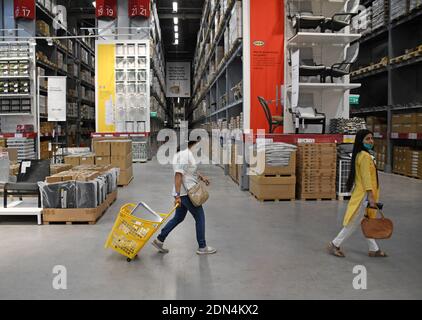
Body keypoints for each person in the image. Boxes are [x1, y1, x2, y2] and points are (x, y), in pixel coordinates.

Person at [328, 129, 388, 258]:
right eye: (367, 139)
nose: (371, 141)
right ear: (361, 141)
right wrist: (371, 196)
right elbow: (366, 177)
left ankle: (374, 249)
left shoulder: (361, 155)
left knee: (366, 220)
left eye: (371, 138)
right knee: (354, 222)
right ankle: (335, 243)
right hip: (364, 196)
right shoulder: (365, 156)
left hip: (364, 194)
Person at [152, 139, 217, 255]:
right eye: (198, 146)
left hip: (183, 193)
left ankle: (159, 240)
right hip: (186, 193)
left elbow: (188, 171)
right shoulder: (184, 155)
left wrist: (201, 177)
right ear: (191, 144)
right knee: (200, 217)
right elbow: (178, 175)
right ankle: (202, 246)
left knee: (178, 218)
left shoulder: (185, 154)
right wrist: (177, 196)